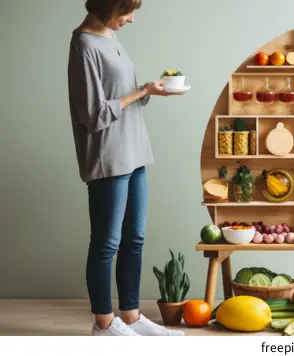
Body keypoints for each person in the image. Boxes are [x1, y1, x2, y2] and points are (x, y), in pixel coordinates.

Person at [68, 0, 184, 336]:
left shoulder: (109, 36)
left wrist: (149, 91)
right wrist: (140, 92)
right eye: (127, 11)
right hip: (109, 156)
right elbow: (92, 115)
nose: (131, 19)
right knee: (107, 243)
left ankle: (130, 316)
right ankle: (104, 324)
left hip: (134, 151)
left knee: (135, 238)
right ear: (109, 5)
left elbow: (121, 93)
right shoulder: (84, 44)